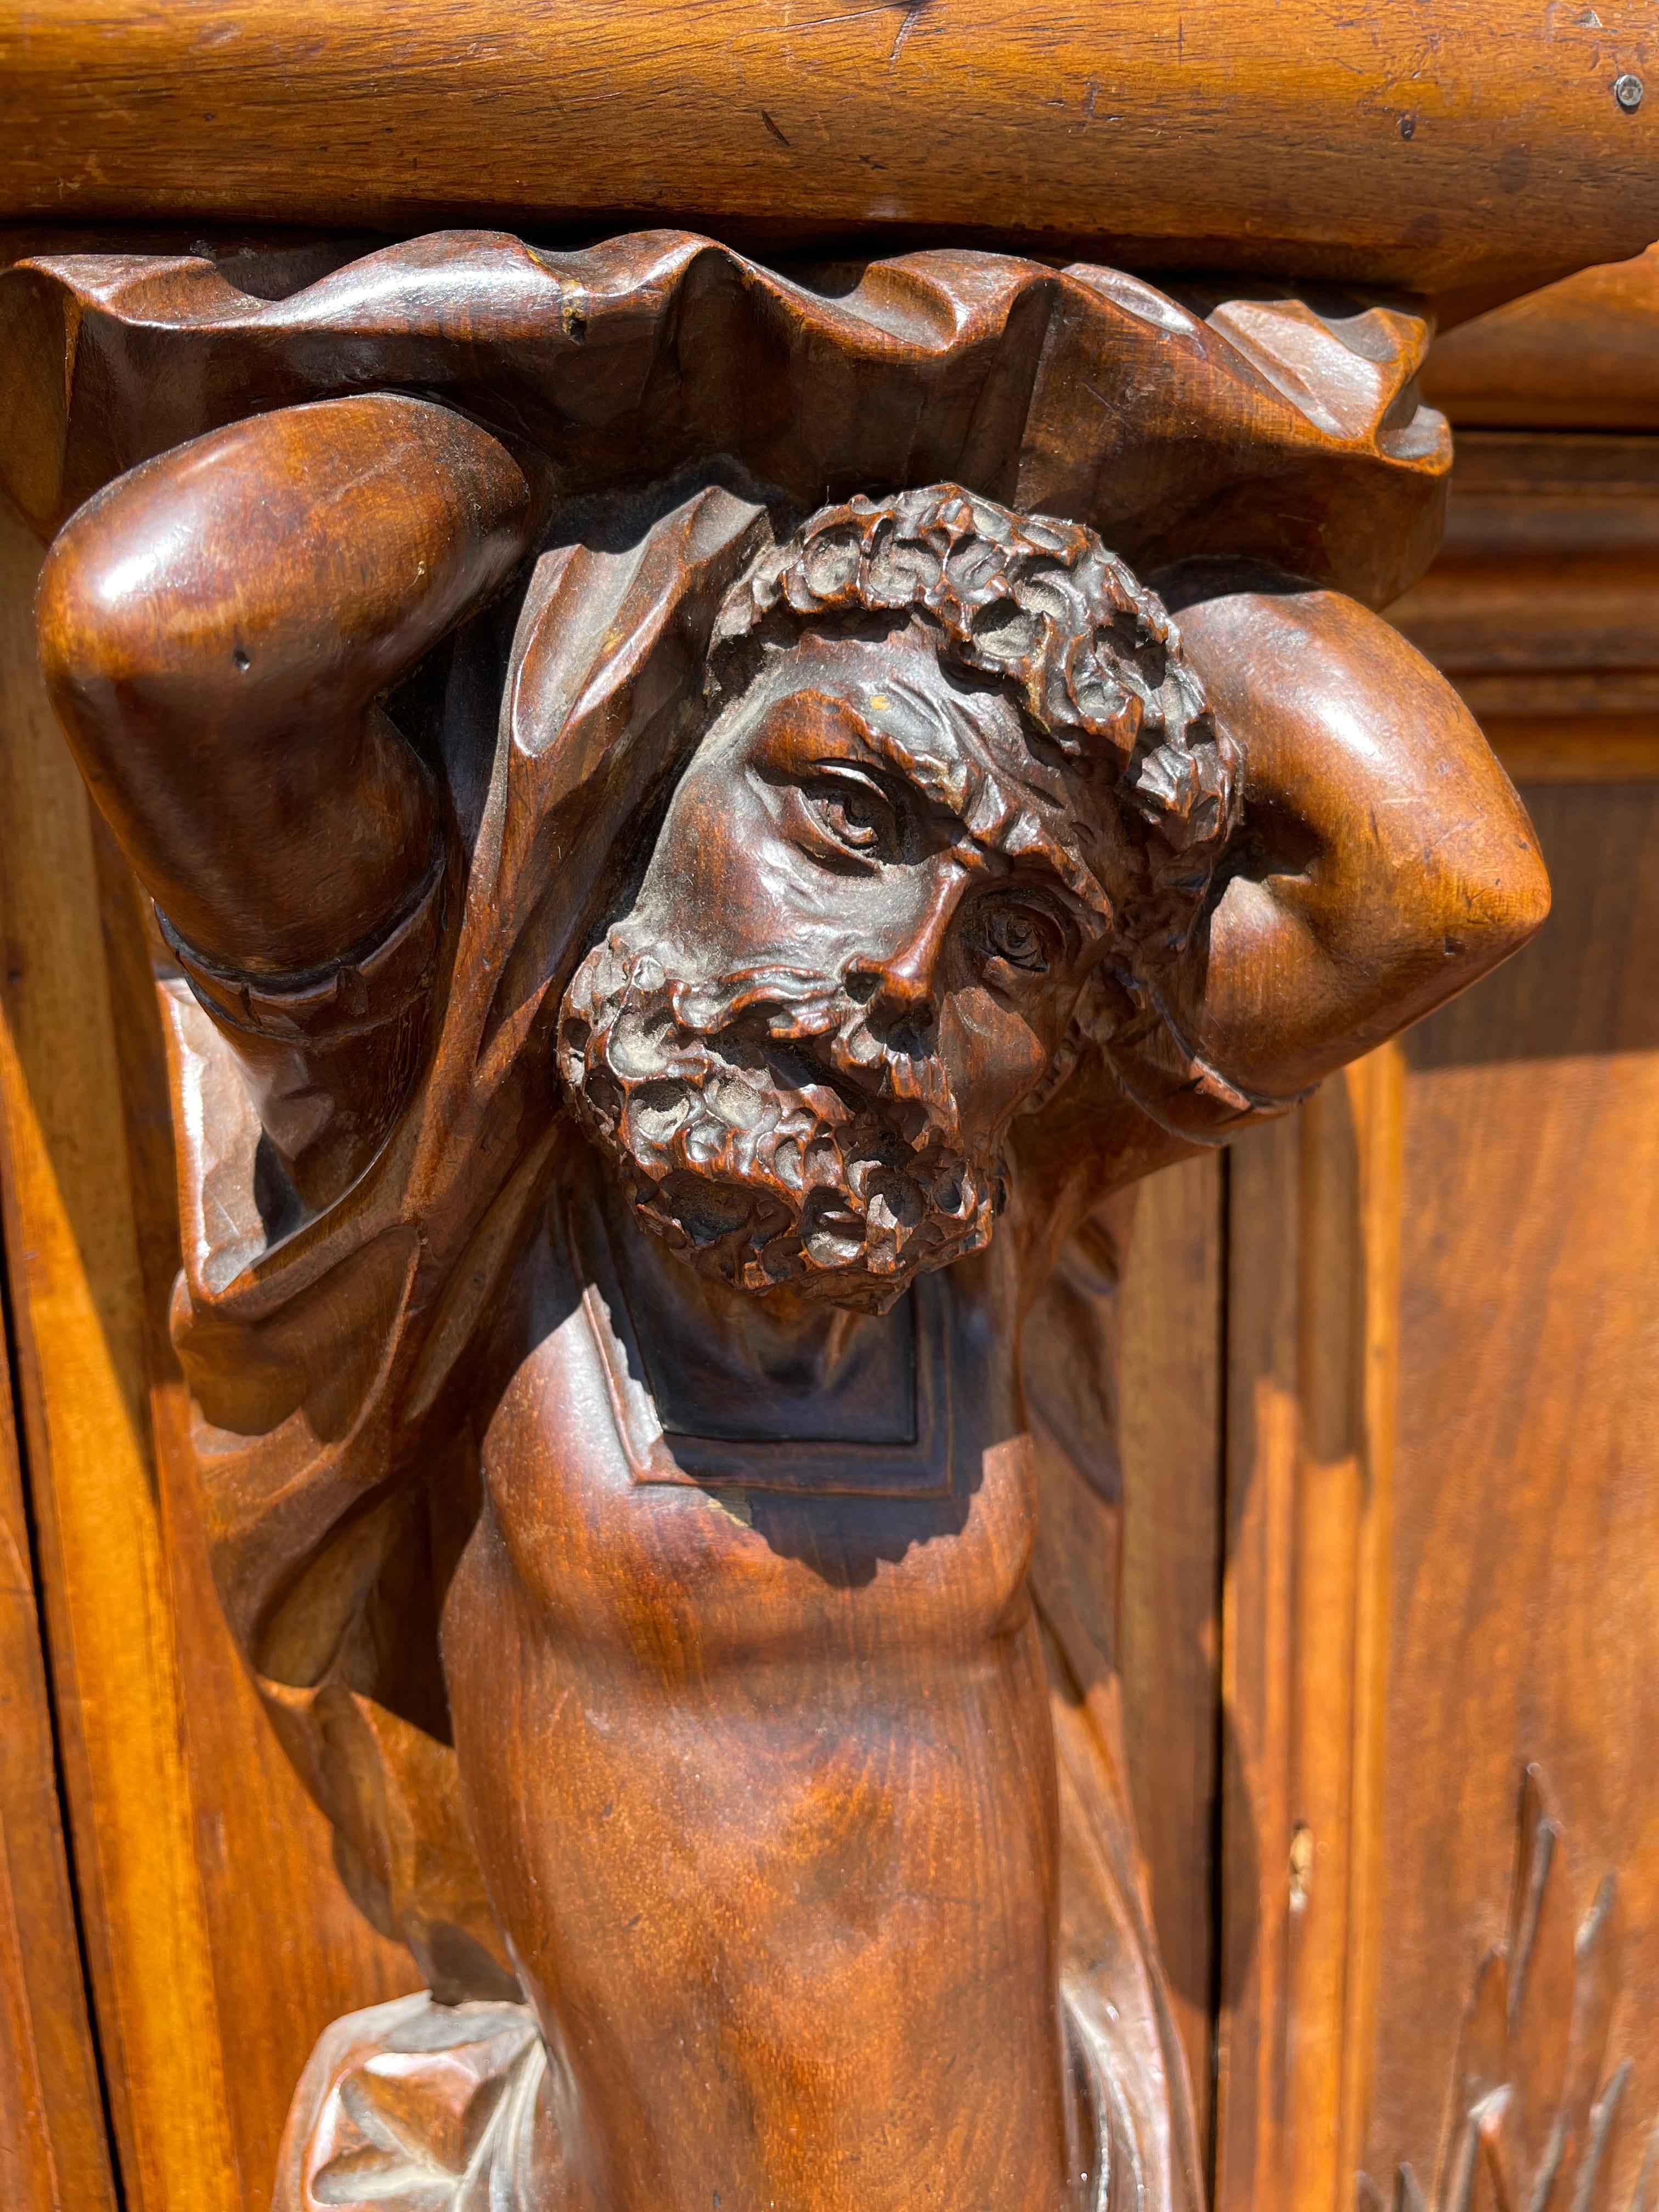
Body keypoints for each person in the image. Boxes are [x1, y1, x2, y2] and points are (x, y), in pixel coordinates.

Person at [37, 390, 1547, 2212]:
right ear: (678, 747)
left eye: (1016, 937)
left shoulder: (993, 1199)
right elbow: (157, 636)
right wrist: (614, 451)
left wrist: (1091, 594)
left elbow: (1440, 880)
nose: (905, 970)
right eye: (848, 811)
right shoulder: (458, 1132)